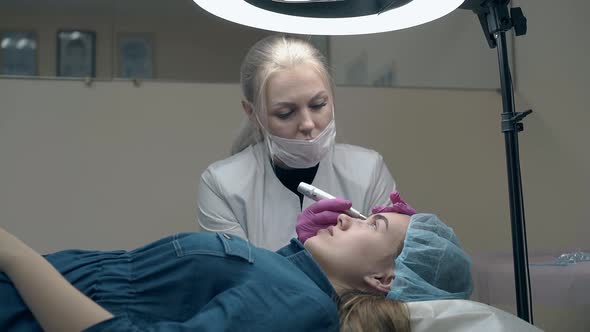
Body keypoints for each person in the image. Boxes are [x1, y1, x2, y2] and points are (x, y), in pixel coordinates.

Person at [0, 210, 472, 331]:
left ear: (384, 280)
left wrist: (15, 254)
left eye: (374, 224)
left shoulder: (300, 307)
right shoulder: (288, 280)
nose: (346, 216)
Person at [197, 34, 399, 250]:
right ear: (252, 113)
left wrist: (404, 235)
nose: (307, 124)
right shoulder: (223, 185)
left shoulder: (368, 171)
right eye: (285, 113)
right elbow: (237, 278)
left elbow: (389, 267)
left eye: (318, 104)